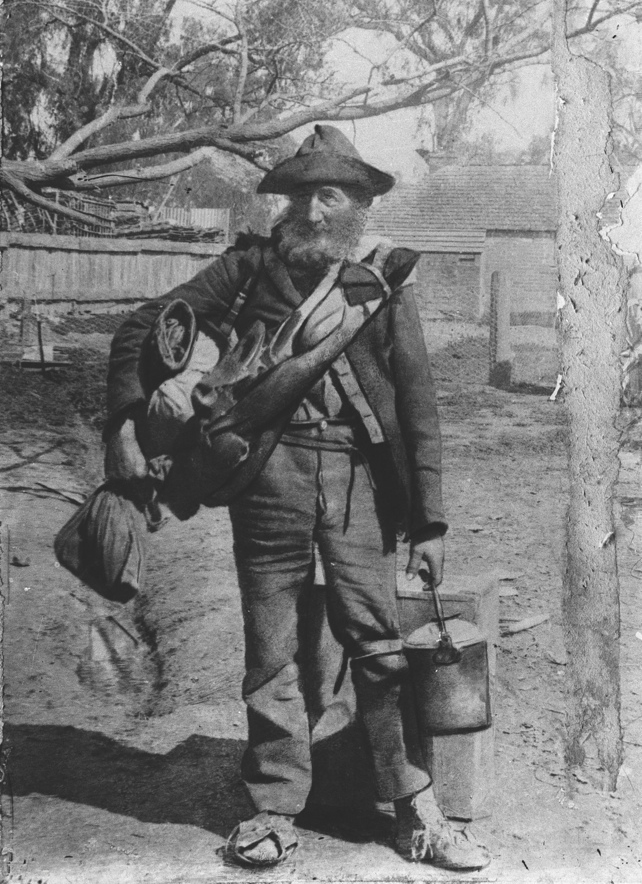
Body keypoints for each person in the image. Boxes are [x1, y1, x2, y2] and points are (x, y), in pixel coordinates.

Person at [104, 125, 490, 872]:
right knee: (270, 649)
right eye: (303, 195)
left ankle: (416, 807)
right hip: (266, 479)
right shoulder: (248, 268)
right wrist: (125, 420)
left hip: (357, 482)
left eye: (331, 195)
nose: (313, 210)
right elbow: (145, 326)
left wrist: (430, 523)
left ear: (359, 205)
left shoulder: (385, 279)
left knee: (379, 645)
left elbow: (418, 406)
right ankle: (274, 808)